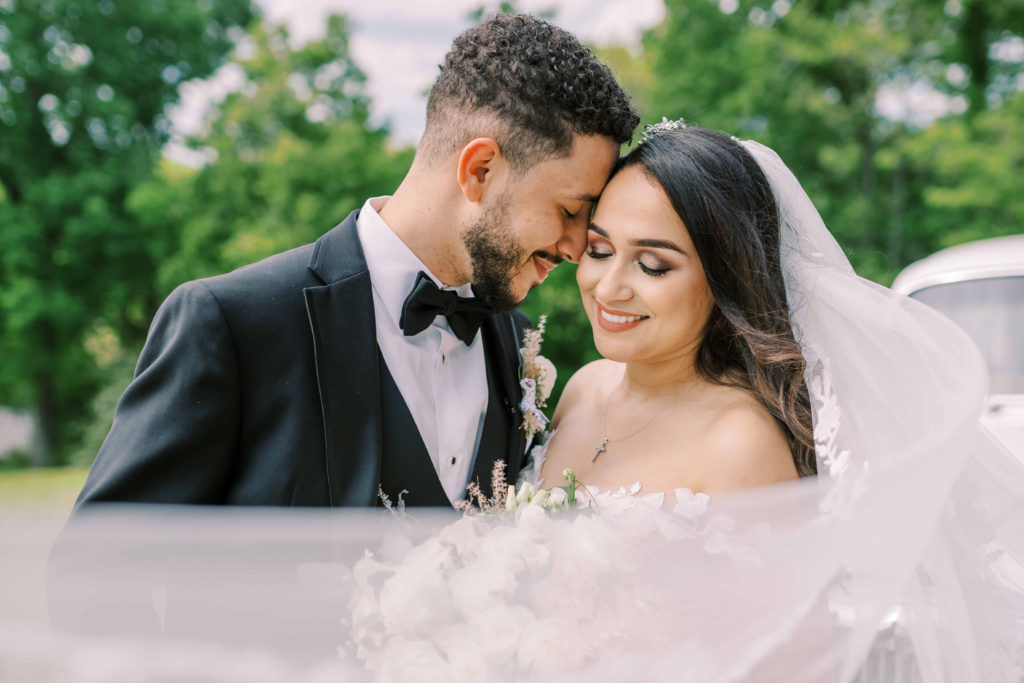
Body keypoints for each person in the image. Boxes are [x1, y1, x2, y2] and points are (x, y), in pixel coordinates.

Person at [73, 14, 639, 509]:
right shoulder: (233, 323)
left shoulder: (518, 347)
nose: (575, 246)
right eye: (569, 210)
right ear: (480, 170)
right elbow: (98, 570)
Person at [535, 124, 815, 496]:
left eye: (651, 264)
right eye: (599, 250)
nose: (607, 288)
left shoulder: (740, 444)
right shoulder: (584, 388)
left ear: (723, 278)